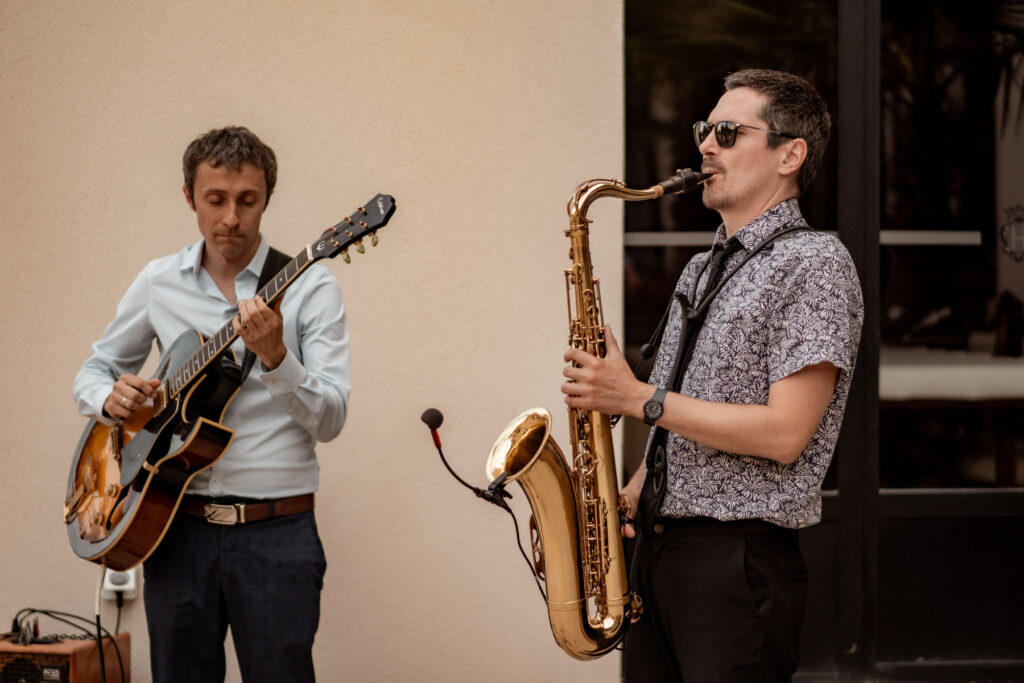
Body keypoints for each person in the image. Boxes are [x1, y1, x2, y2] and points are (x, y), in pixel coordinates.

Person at [561, 70, 863, 681]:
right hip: (660, 553)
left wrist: (637, 397)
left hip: (737, 564)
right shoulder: (701, 267)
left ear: (790, 154)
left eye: (727, 132)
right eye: (706, 130)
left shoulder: (817, 263)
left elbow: (786, 433)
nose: (705, 146)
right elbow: (679, 412)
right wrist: (630, 490)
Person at [72, 126, 350, 682]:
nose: (231, 218)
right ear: (189, 198)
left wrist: (277, 359)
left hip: (278, 534)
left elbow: (332, 419)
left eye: (247, 201)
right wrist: (112, 398)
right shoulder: (159, 282)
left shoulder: (310, 288)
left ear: (266, 198)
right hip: (174, 528)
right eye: (215, 200)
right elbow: (92, 372)